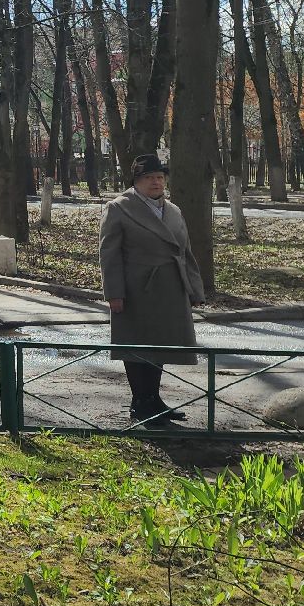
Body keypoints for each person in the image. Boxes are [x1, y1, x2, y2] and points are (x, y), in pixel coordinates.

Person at [97, 153, 205, 428]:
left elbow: (185, 252)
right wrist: (114, 293)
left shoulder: (173, 210)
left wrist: (193, 289)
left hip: (170, 288)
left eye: (159, 177)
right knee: (135, 346)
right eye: (149, 178)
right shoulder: (119, 208)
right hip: (136, 289)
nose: (156, 182)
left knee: (160, 346)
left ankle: (153, 400)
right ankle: (141, 401)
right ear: (137, 181)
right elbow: (109, 254)